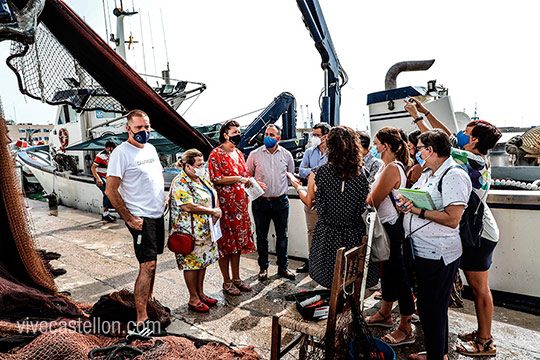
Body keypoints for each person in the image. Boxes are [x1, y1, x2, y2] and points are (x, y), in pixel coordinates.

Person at [404, 100, 501, 356]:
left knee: (480, 288)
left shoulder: (471, 161)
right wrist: (425, 112)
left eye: (466, 133)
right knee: (469, 288)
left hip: (480, 234)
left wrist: (418, 118)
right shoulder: (473, 156)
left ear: (476, 141)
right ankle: (479, 332)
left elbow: (439, 144)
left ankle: (485, 340)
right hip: (474, 228)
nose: (459, 134)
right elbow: (446, 135)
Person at [395, 129, 472, 360]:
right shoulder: (430, 172)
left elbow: (452, 218)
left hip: (438, 253)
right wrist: (406, 201)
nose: (415, 152)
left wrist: (416, 210)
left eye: (418, 148)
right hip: (422, 249)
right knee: (432, 308)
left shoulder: (453, 175)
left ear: (430, 150)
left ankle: (436, 356)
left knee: (432, 309)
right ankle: (437, 352)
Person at [106, 109, 165, 336]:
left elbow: (154, 178)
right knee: (147, 265)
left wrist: (163, 198)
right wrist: (129, 218)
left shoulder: (151, 148)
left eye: (147, 126)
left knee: (153, 262)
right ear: (128, 129)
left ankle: (149, 301)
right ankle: (141, 318)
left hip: (158, 214)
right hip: (141, 218)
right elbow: (111, 191)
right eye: (139, 127)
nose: (144, 131)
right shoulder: (121, 153)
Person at [291, 126, 369, 288]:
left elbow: (309, 201)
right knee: (352, 276)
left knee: (329, 277)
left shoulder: (318, 173)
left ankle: (333, 305)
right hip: (355, 233)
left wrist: (297, 187)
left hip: (328, 234)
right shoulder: (362, 173)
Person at [364, 127, 416, 347]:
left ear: (385, 146)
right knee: (389, 274)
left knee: (400, 276)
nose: (375, 147)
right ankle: (385, 314)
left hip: (392, 230)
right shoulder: (388, 166)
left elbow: (372, 200)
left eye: (377, 143)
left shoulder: (392, 169)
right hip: (387, 227)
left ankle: (406, 326)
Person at [208, 120, 264, 296]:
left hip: (240, 207)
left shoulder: (239, 153)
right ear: (225, 134)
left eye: (238, 131)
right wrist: (239, 179)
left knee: (238, 245)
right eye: (234, 132)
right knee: (225, 245)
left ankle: (237, 278)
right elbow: (216, 178)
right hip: (224, 207)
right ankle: (226, 281)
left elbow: (246, 176)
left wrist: (255, 184)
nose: (237, 135)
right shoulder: (215, 154)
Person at [169, 149, 221, 313]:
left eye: (202, 164)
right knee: (191, 265)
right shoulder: (180, 183)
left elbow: (214, 195)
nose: (202, 167)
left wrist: (216, 209)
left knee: (202, 262)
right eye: (199, 164)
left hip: (205, 231)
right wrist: (212, 212)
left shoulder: (202, 180)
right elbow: (188, 206)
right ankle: (193, 297)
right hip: (189, 233)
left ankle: (200, 293)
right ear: (188, 166)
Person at [247, 124, 296, 281]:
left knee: (283, 236)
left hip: (281, 202)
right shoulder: (254, 155)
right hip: (260, 202)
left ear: (278, 138)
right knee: (261, 236)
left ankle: (283, 267)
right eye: (266, 134)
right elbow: (247, 177)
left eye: (272, 135)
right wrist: (255, 183)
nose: (268, 137)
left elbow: (290, 175)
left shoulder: (287, 155)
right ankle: (263, 267)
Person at [297, 122, 331, 273]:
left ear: (326, 137)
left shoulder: (334, 153)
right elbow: (301, 171)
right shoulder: (309, 152)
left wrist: (313, 172)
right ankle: (312, 262)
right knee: (312, 231)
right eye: (313, 135)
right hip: (312, 196)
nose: (314, 138)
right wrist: (317, 171)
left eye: (317, 135)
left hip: (330, 198)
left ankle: (327, 263)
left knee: (329, 232)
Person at [91, 140, 117, 222]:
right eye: (112, 149)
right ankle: (105, 213)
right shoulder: (100, 156)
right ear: (108, 148)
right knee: (107, 192)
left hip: (107, 177)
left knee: (109, 193)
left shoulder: (111, 155)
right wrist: (98, 179)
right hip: (100, 177)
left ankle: (106, 213)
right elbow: (93, 168)